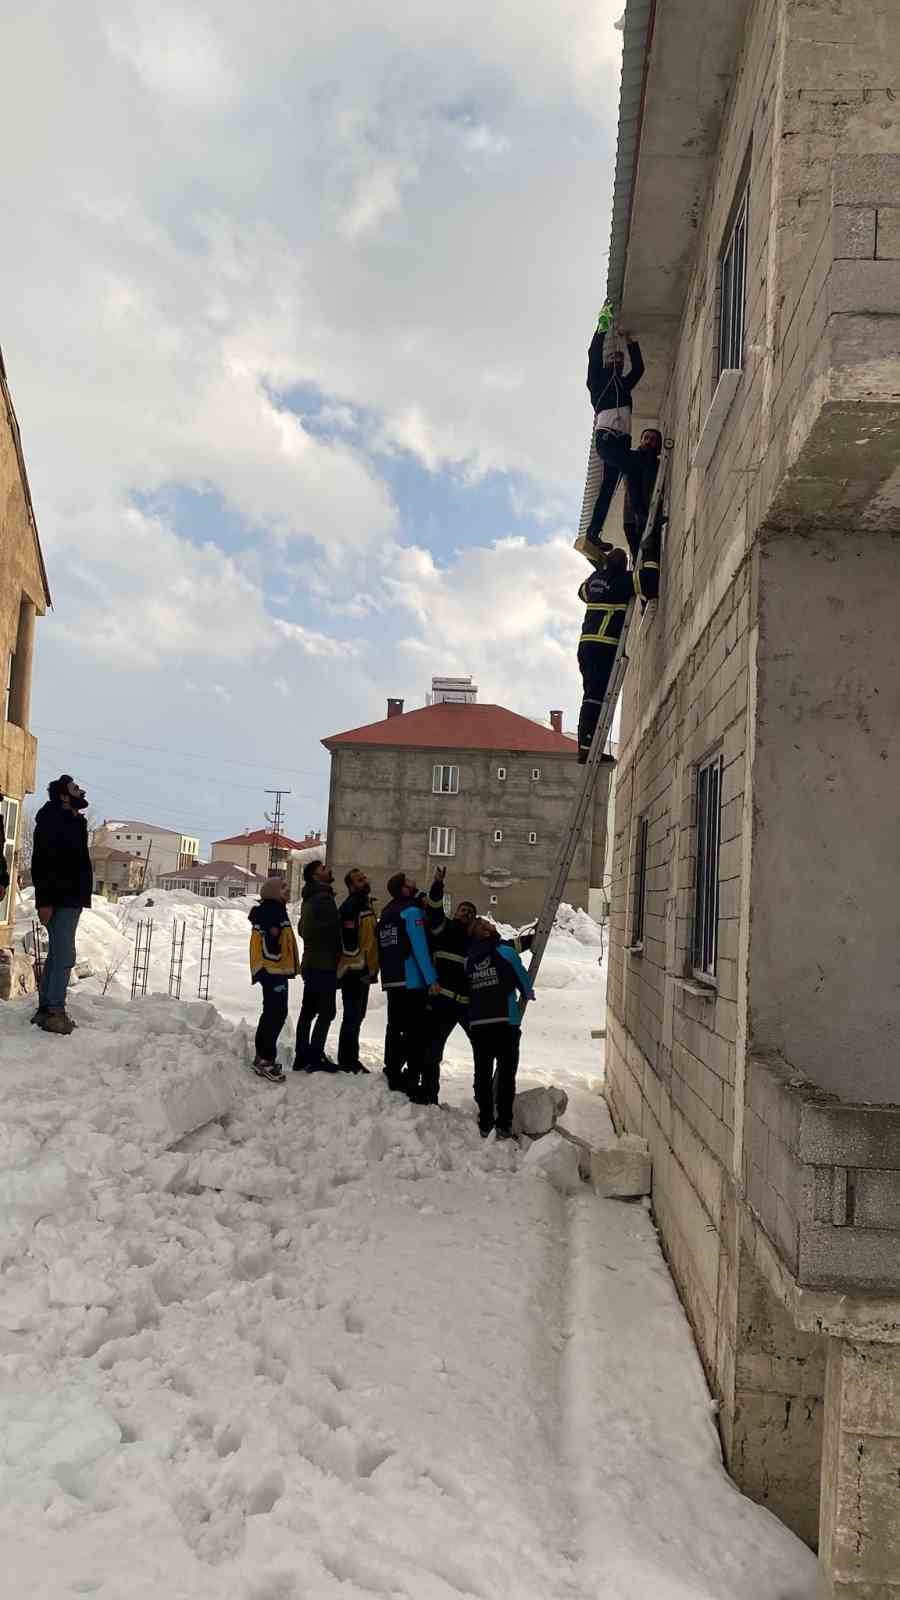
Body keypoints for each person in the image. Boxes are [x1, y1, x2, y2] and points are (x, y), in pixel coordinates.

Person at [30, 774, 93, 1034]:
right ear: (64, 796)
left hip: (72, 898)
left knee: (57, 955)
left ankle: (46, 1009)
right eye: (75, 788)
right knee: (65, 956)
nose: (81, 791)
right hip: (59, 899)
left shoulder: (73, 821)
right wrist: (45, 901)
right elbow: (42, 863)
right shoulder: (51, 821)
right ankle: (55, 1011)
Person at [465, 918, 535, 1139]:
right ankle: (504, 1123)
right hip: (505, 1021)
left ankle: (485, 1121)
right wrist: (528, 993)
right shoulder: (505, 952)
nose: (493, 927)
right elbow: (523, 982)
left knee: (483, 1073)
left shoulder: (468, 960)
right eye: (489, 925)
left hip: (478, 1024)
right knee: (506, 1075)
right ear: (485, 932)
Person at [582, 325, 646, 555]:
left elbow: (639, 368)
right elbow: (593, 354)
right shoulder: (598, 385)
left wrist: (631, 343)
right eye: (613, 359)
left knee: (608, 489)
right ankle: (641, 513)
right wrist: (601, 330)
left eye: (620, 360)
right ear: (607, 364)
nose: (617, 362)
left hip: (620, 443)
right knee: (634, 467)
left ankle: (593, 532)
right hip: (607, 440)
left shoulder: (624, 386)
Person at [377, 870, 438, 1097]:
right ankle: (412, 1078)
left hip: (392, 979)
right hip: (412, 980)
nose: (413, 882)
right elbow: (419, 947)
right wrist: (431, 980)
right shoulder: (411, 911)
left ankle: (392, 1070)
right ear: (404, 888)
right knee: (415, 1031)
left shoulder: (386, 912)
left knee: (394, 1027)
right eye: (409, 881)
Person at [421, 868, 478, 1104]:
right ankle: (429, 1095)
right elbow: (434, 908)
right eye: (463, 910)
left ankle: (483, 1100)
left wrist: (532, 939)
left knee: (482, 1050)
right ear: (456, 912)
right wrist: (438, 884)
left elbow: (505, 947)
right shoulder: (443, 928)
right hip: (441, 1001)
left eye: (471, 913)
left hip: (465, 1006)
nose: (466, 913)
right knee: (433, 1051)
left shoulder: (476, 940)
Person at [577, 547, 635, 763]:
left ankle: (587, 745)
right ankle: (587, 749)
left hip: (586, 647)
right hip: (604, 647)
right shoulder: (622, 581)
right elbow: (647, 580)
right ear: (623, 565)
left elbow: (581, 591)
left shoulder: (594, 580)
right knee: (595, 698)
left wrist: (599, 569)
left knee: (590, 695)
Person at [248, 878, 300, 1081]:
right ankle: (265, 1059)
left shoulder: (275, 909)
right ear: (273, 892)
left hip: (275, 970)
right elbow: (270, 944)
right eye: (283, 889)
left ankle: (263, 1056)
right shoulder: (271, 911)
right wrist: (276, 969)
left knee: (274, 1012)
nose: (287, 893)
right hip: (272, 970)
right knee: (275, 1013)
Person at [294, 860, 341, 1072]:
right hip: (324, 964)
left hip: (312, 962)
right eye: (322, 869)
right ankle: (314, 1057)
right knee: (327, 1011)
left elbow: (303, 929)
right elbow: (328, 930)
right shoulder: (323, 898)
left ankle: (303, 1055)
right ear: (315, 876)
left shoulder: (310, 897)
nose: (327, 869)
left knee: (309, 1011)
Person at [336, 867, 378, 1073]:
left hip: (365, 970)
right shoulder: (350, 908)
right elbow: (349, 944)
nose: (365, 880)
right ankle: (347, 1060)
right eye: (360, 880)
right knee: (352, 1016)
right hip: (354, 972)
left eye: (364, 877)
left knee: (357, 1015)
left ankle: (350, 1057)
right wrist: (361, 969)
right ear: (352, 886)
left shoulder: (365, 905)